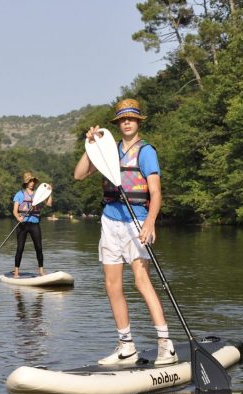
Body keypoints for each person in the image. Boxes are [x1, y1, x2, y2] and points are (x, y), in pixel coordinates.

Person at [73, 98, 177, 366]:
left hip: (138, 219)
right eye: (122, 119)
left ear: (138, 121)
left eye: (131, 118)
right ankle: (126, 346)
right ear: (118, 124)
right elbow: (79, 174)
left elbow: (155, 192)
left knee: (142, 281)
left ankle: (166, 345)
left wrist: (151, 222)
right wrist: (91, 147)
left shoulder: (146, 151)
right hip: (110, 220)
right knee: (112, 284)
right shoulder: (108, 150)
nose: (127, 122)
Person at [12, 171, 52, 278]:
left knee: (39, 248)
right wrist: (18, 217)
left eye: (33, 181)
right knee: (20, 248)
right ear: (26, 183)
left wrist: (49, 192)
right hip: (23, 224)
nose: (32, 183)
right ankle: (16, 271)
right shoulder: (19, 194)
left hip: (34, 224)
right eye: (30, 181)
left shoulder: (38, 194)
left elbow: (49, 204)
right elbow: (15, 211)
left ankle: (41, 270)